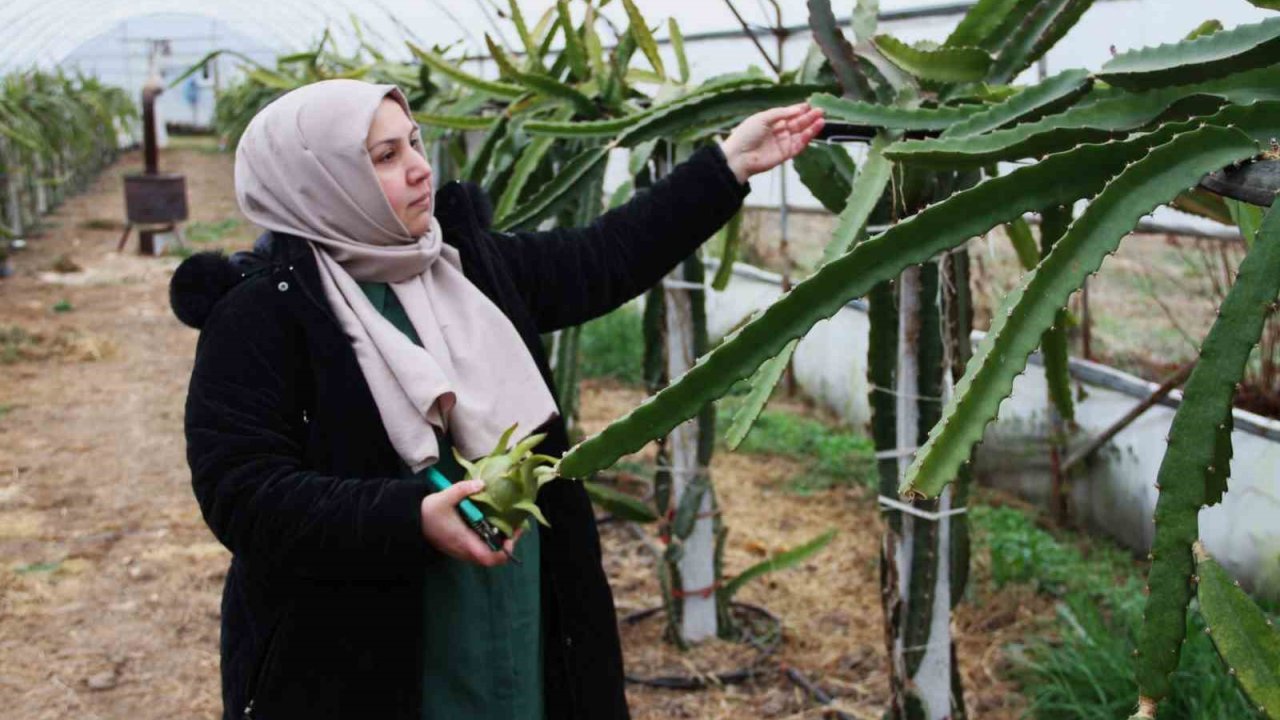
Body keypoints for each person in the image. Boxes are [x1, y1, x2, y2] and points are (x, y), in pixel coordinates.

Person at [170, 78, 823, 720]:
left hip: (519, 612)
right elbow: (243, 492)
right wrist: (408, 517)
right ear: (318, 182)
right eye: (386, 157)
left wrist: (728, 164)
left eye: (416, 144)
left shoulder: (462, 265)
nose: (421, 170)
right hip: (366, 654)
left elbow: (604, 257)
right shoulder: (261, 315)